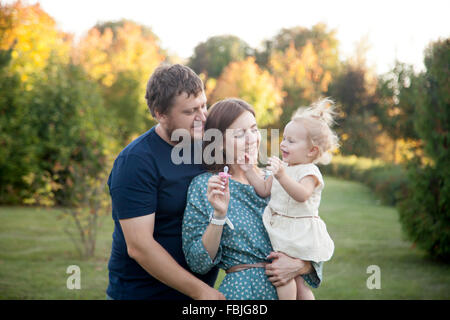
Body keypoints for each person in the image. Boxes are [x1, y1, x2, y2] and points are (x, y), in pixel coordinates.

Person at [182, 98, 324, 300]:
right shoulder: (207, 186)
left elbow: (309, 234)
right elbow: (198, 263)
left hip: (291, 289)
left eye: (254, 129)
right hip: (244, 293)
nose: (251, 139)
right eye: (240, 134)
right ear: (219, 143)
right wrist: (219, 215)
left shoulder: (276, 180)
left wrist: (300, 265)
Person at [105, 64, 224, 300]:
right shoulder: (136, 161)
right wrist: (202, 292)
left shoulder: (208, 147)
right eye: (190, 112)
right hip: (143, 295)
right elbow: (140, 246)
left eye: (204, 105)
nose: (202, 117)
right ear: (160, 114)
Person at [242, 98, 338, 300]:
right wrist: (248, 169)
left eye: (291, 141)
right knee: (295, 281)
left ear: (312, 150)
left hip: (299, 233)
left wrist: (281, 176)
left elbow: (302, 195)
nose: (283, 144)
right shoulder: (283, 169)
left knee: (285, 277)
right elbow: (263, 189)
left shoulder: (309, 172)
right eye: (284, 138)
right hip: (283, 230)